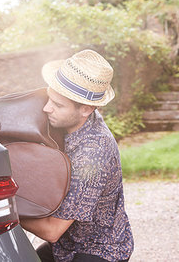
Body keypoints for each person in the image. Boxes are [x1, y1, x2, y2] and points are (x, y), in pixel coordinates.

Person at [20, 49, 134, 262]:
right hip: (68, 244)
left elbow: (52, 231)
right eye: (49, 98)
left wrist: (3, 209)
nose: (46, 108)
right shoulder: (73, 118)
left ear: (87, 109)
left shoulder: (93, 157)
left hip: (99, 251)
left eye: (57, 105)